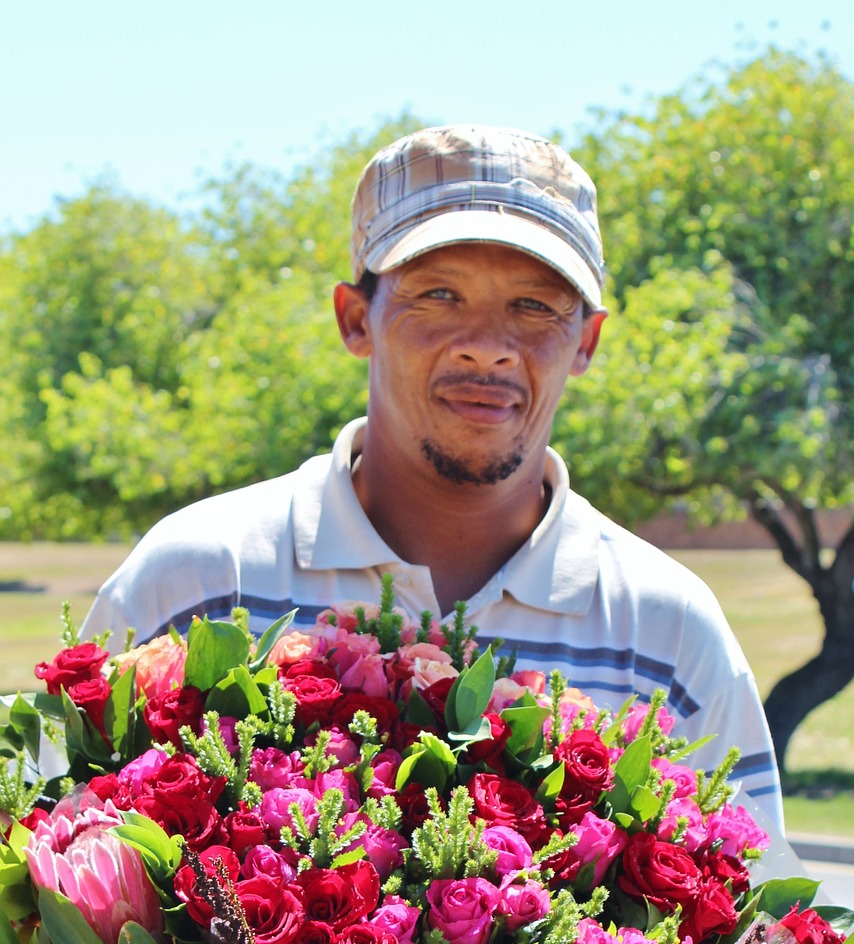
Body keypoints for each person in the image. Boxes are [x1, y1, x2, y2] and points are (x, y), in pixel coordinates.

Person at [83, 123, 783, 827]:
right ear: (356, 320)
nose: (488, 348)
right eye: (438, 294)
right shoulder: (199, 583)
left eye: (535, 305)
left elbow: (758, 926)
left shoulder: (666, 631)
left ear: (586, 341)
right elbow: (41, 865)